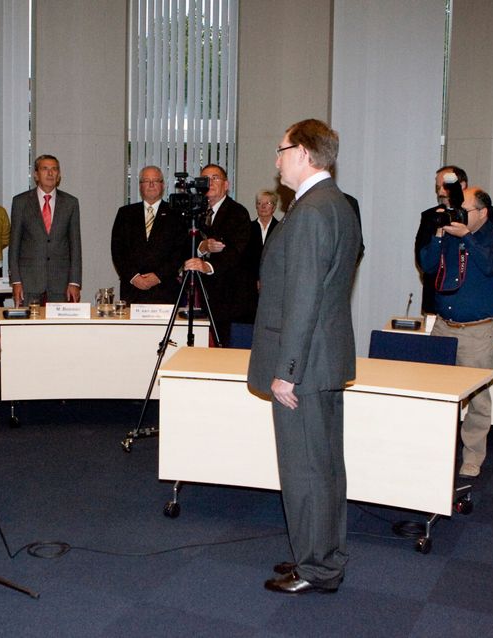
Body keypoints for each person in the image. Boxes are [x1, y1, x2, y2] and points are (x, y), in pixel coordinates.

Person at [247, 119, 362, 595]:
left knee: (305, 470)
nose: (276, 160)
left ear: (305, 153)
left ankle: (318, 567)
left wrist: (285, 372)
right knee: (325, 466)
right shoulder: (338, 204)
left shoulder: (312, 212)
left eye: (281, 150)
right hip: (324, 360)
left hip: (304, 366)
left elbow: (303, 299)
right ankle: (322, 555)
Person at [420, 187, 493, 478]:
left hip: (476, 332)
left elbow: (489, 265)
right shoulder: (447, 235)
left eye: (465, 209)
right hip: (443, 327)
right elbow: (427, 265)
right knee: (434, 392)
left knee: (478, 399)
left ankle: (472, 456)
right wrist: (438, 234)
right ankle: (434, 448)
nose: (456, 214)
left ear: (483, 212)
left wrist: (466, 237)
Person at [181, 164, 251, 346]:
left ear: (226, 185)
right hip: (200, 295)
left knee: (225, 351)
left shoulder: (238, 213)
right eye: (205, 179)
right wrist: (201, 247)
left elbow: (237, 252)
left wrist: (208, 266)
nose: (209, 183)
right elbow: (182, 245)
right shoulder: (194, 213)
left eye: (215, 178)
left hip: (229, 299)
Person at [8, 155, 82, 306]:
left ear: (59, 175)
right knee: (29, 328)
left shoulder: (70, 203)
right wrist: (15, 280)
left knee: (59, 329)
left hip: (60, 284)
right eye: (45, 169)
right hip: (29, 283)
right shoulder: (20, 202)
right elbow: (14, 245)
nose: (50, 173)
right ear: (36, 175)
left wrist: (74, 282)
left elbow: (75, 245)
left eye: (54, 169)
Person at [110, 166, 185, 304]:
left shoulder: (176, 214)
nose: (151, 184)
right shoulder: (125, 213)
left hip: (165, 290)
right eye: (146, 181)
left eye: (156, 180)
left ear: (163, 185)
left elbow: (180, 252)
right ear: (140, 186)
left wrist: (158, 276)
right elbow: (118, 251)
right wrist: (134, 277)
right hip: (132, 290)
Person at [415, 166, 469, 315]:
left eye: (444, 187)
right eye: (437, 188)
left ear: (461, 186)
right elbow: (422, 259)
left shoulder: (478, 215)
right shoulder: (431, 216)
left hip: (468, 300)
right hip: (435, 300)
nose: (440, 193)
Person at [237, 190, 281, 323]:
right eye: (259, 203)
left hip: (273, 282)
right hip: (249, 284)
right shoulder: (247, 228)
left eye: (267, 203)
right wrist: (255, 279)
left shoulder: (281, 229)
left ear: (274, 207)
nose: (262, 206)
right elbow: (244, 258)